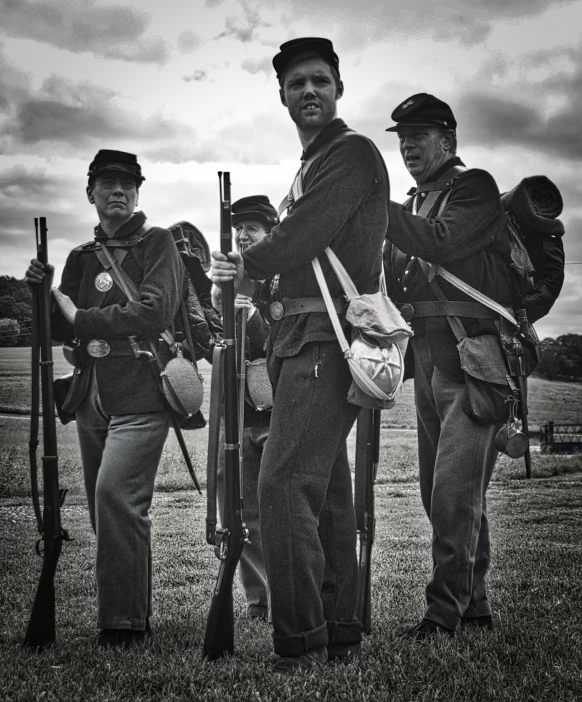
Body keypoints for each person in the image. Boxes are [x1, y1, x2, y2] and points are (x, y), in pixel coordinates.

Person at [211, 37, 389, 672]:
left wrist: (240, 265)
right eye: (295, 84)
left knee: (281, 484)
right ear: (282, 96)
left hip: (321, 342)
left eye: (319, 80)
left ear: (338, 88)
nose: (308, 90)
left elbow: (299, 238)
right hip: (300, 344)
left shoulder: (351, 153)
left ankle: (299, 639)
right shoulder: (312, 166)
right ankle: (336, 628)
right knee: (328, 491)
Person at [24, 150, 185, 647]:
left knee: (116, 495)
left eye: (127, 184)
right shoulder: (80, 257)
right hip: (89, 390)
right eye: (107, 183)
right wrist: (41, 293)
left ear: (138, 192)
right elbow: (56, 327)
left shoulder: (157, 243)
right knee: (103, 507)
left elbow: (154, 312)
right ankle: (127, 610)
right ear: (90, 192)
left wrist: (82, 318)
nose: (118, 190)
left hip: (141, 389)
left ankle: (123, 626)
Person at [383, 94, 515, 639]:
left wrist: (370, 203)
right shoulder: (413, 203)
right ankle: (475, 605)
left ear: (448, 141)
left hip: (471, 358)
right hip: (428, 358)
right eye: (401, 137)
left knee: (453, 493)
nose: (408, 145)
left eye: (418, 134)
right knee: (440, 493)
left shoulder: (474, 187)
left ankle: (443, 615)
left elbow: (441, 240)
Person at [214, 195, 279, 621]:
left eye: (252, 228)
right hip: (237, 415)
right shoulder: (226, 284)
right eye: (239, 229)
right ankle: (259, 600)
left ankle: (292, 596)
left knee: (280, 511)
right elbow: (211, 343)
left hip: (279, 412)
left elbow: (282, 340)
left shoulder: (285, 275)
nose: (242, 235)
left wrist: (251, 314)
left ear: (271, 233)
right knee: (243, 513)